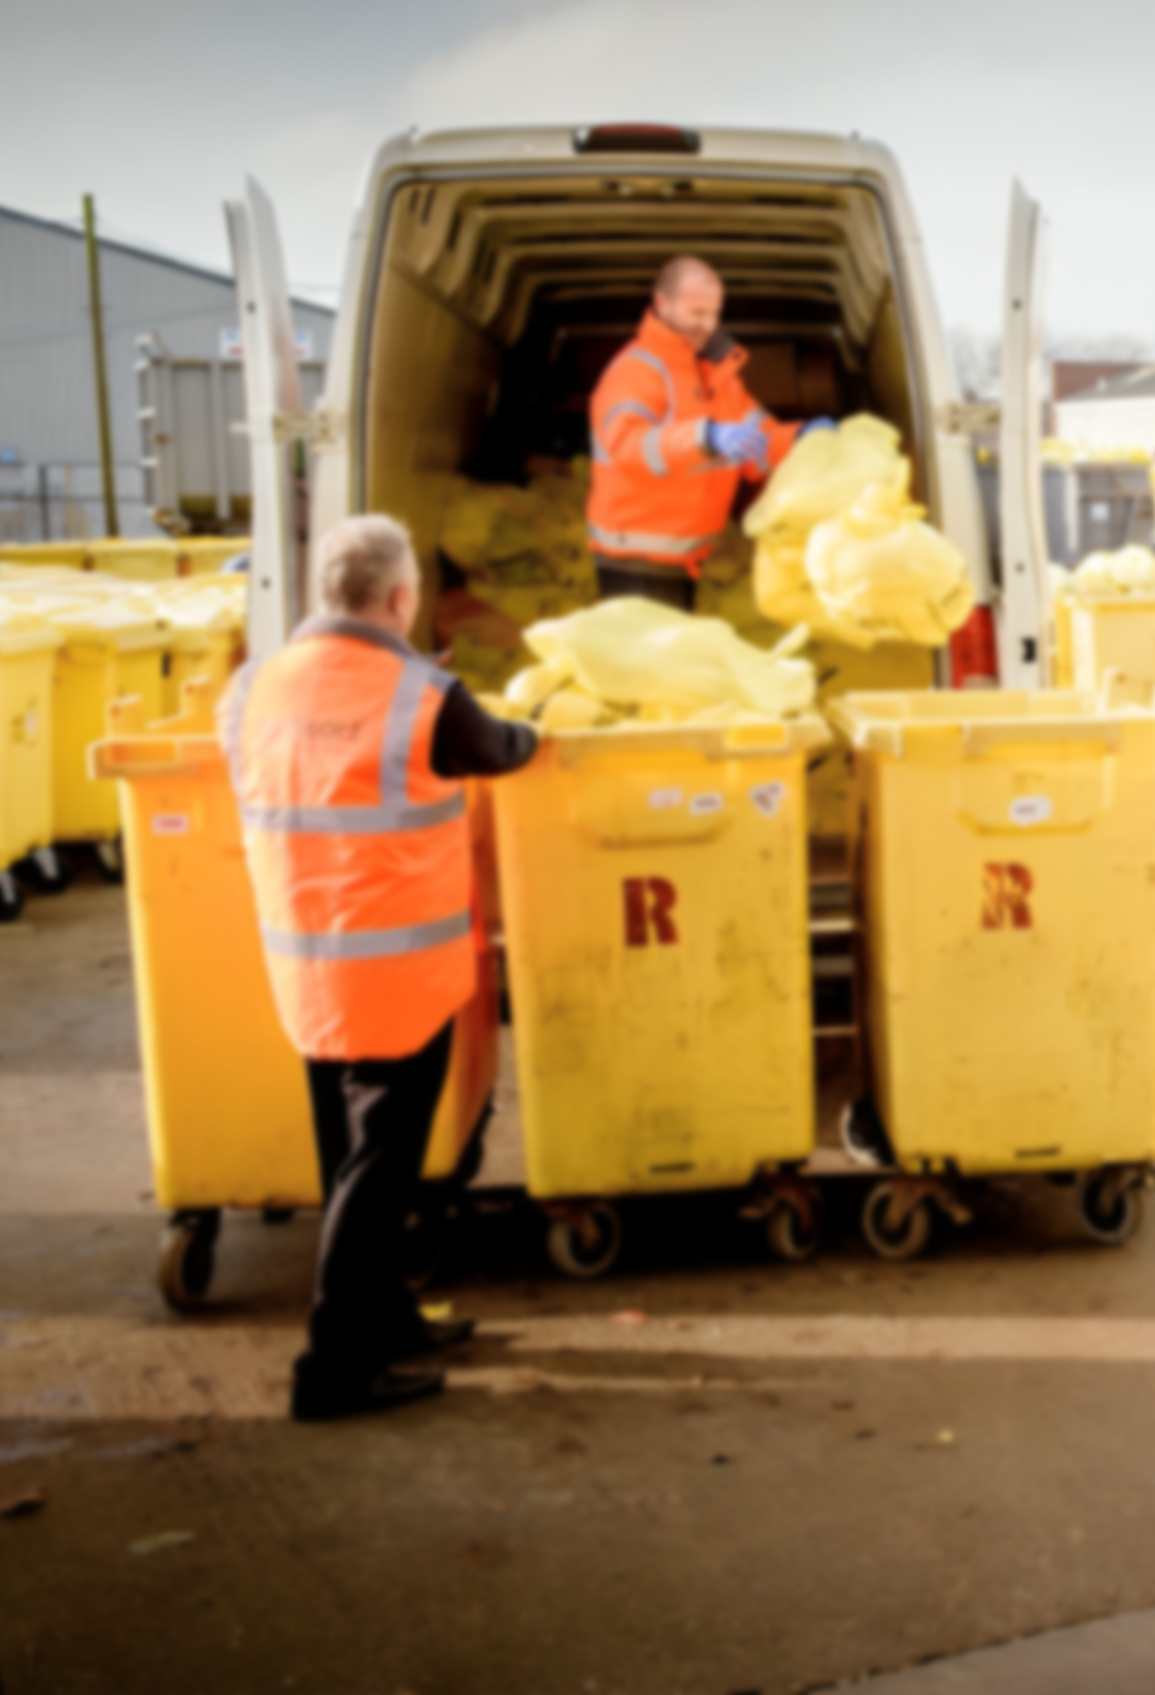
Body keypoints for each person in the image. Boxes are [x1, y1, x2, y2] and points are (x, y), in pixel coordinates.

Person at [221, 516, 539, 1422]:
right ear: (400, 600)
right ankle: (334, 1370)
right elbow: (505, 750)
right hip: (397, 978)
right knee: (377, 1175)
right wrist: (542, 728)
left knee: (349, 1159)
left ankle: (388, 1317)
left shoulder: (251, 688)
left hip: (308, 965)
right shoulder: (424, 696)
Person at [587, 255, 808, 607]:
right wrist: (705, 436)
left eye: (714, 314)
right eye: (696, 313)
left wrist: (804, 437)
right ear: (663, 303)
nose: (708, 325)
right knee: (652, 663)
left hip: (683, 557)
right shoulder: (636, 371)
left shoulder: (718, 378)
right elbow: (627, 445)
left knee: (667, 662)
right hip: (635, 558)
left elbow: (762, 442)